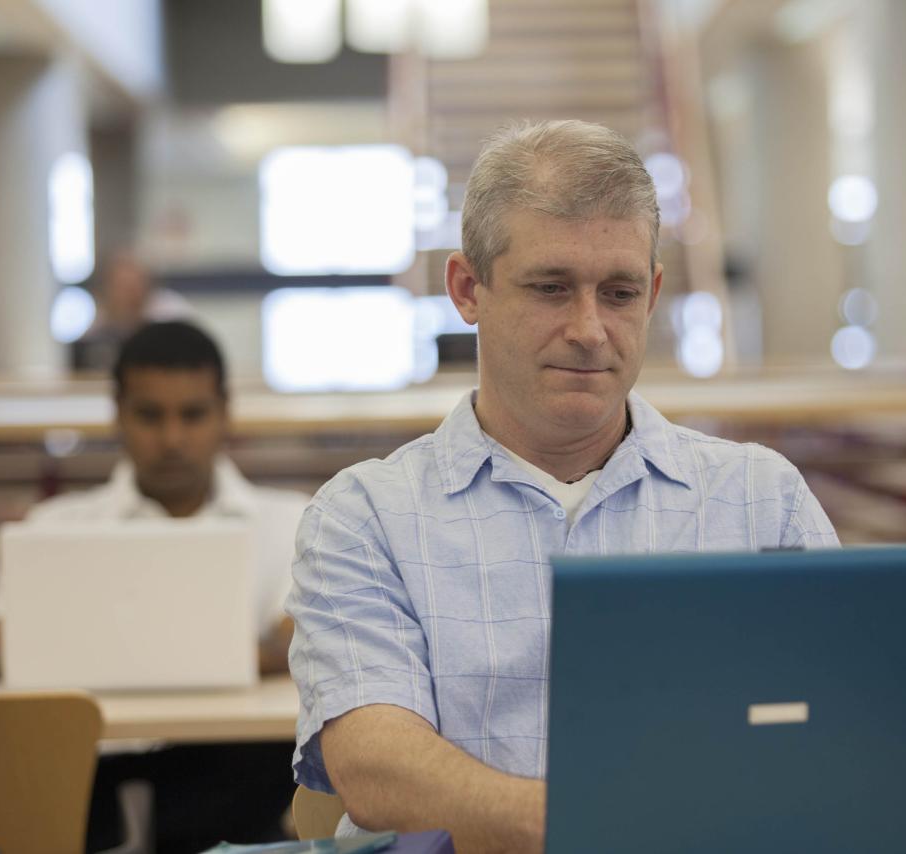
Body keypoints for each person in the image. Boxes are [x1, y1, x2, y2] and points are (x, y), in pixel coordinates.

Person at [286, 120, 839, 853]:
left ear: (654, 295)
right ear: (466, 289)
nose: (590, 328)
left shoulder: (762, 500)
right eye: (551, 288)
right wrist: (602, 823)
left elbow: (842, 725)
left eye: (619, 292)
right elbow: (376, 766)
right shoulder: (365, 517)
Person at [0, 321, 307, 852]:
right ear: (118, 413)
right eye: (150, 415)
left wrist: (79, 650)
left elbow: (303, 641)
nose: (172, 438)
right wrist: (247, 652)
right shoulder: (53, 528)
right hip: (84, 780)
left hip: (234, 787)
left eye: (193, 414)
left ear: (225, 412)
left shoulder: (290, 522)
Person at [72, 250, 192, 371]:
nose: (130, 293)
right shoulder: (98, 319)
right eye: (121, 285)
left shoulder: (170, 312)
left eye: (134, 284)